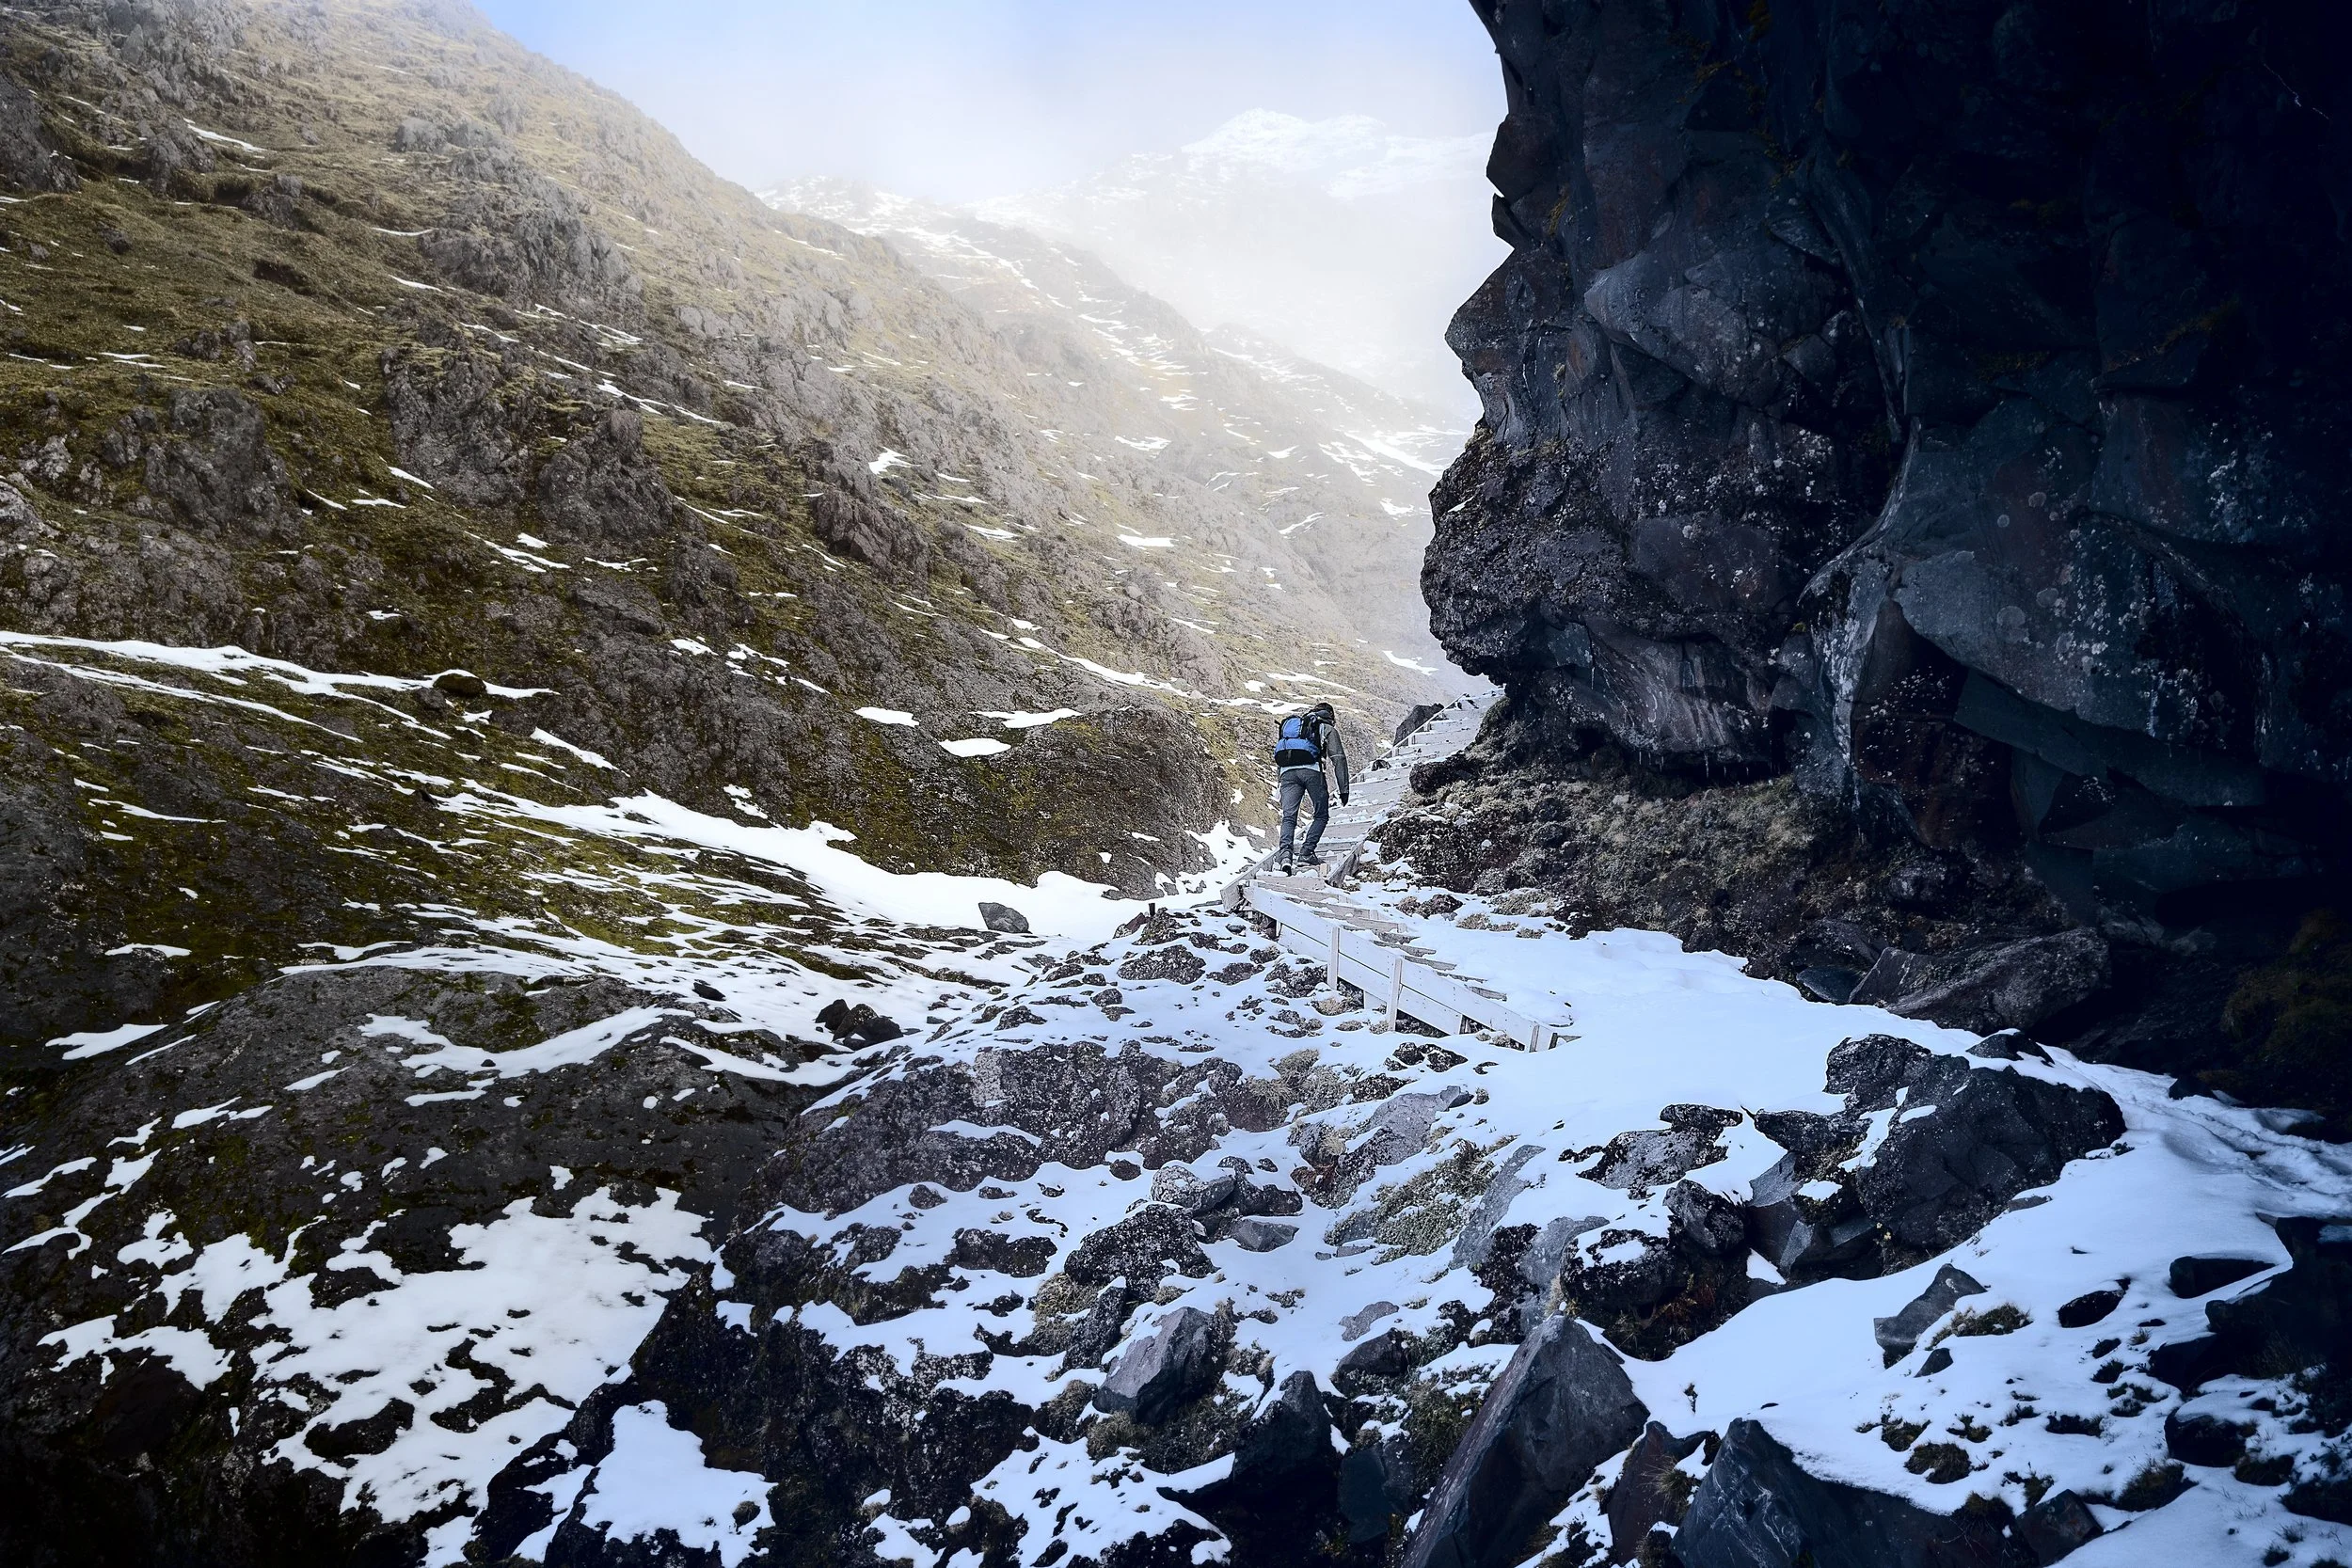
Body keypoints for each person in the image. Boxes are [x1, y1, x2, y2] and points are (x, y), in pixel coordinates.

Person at [1272, 701, 1348, 874]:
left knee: (1289, 817)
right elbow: (1338, 758)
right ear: (1331, 716)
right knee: (1321, 815)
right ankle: (1306, 853)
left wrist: (1280, 781)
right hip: (1312, 771)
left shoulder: (1298, 728)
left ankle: (1285, 856)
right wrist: (1344, 790)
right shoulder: (1325, 727)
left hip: (1287, 773)